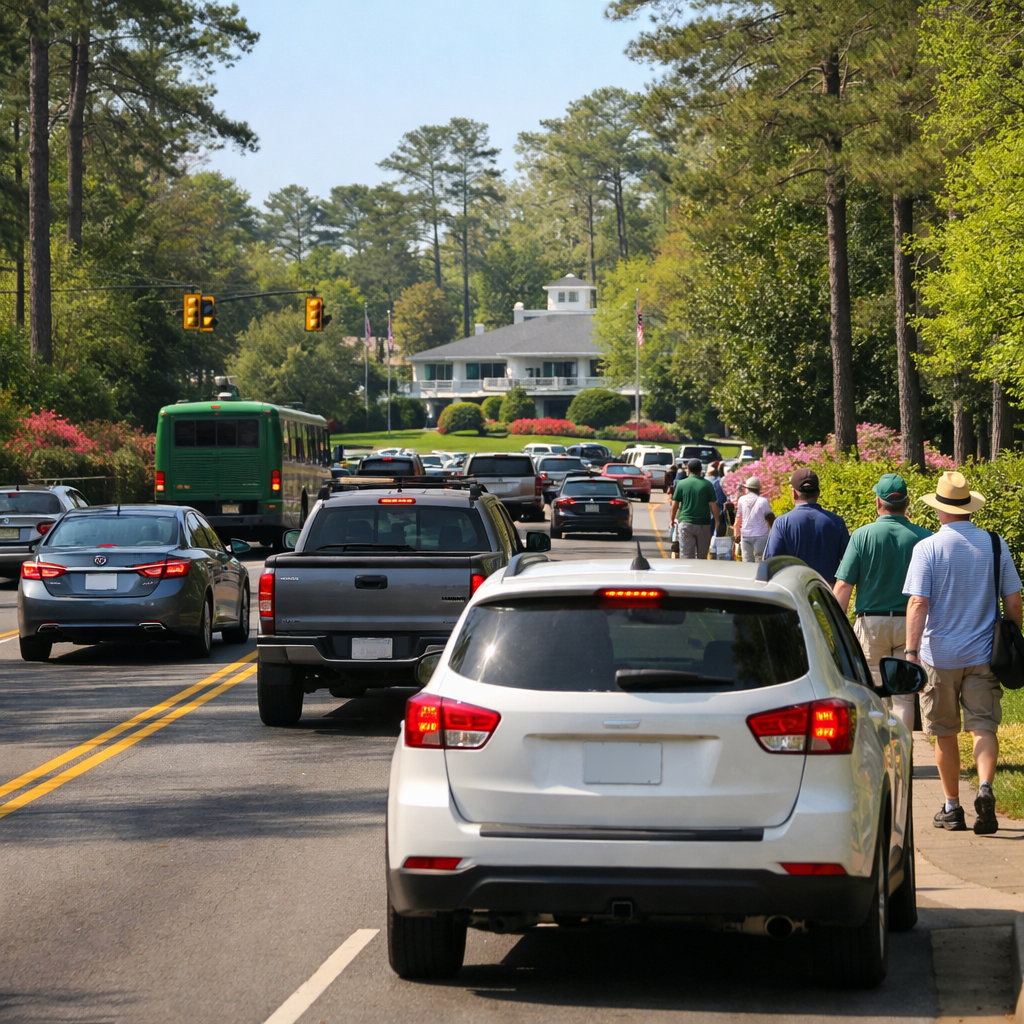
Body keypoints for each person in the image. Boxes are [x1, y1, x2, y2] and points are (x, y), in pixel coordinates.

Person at [903, 471, 1022, 835]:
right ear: (969, 507)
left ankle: (952, 807)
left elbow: (919, 603)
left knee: (945, 733)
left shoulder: (927, 548)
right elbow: (1013, 601)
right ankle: (985, 786)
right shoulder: (994, 544)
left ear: (940, 509)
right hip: (983, 653)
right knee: (983, 726)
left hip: (939, 656)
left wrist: (910, 653)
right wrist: (1013, 637)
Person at [832, 473, 932, 729]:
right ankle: (903, 760)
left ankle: (880, 761)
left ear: (878, 501)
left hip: (871, 624)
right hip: (911, 624)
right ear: (907, 502)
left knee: (874, 697)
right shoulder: (925, 537)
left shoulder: (862, 535)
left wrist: (833, 628)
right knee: (904, 699)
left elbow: (844, 585)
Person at [763, 469, 849, 583]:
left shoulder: (782, 523)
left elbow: (771, 560)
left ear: (793, 493)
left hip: (794, 589)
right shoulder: (836, 521)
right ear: (818, 493)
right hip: (827, 592)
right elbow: (848, 559)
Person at [670, 458, 721, 559]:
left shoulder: (681, 484)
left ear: (688, 469)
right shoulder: (707, 484)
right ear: (700, 469)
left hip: (686, 523)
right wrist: (717, 521)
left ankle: (688, 574)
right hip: (704, 524)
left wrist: (672, 519)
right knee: (702, 556)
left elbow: (675, 503)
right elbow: (714, 505)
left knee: (686, 555)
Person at [733, 476, 773, 563]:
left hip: (746, 535)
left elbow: (738, 518)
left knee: (747, 561)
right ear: (758, 489)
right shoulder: (763, 501)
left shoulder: (741, 500)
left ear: (747, 489)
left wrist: (736, 532)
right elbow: (770, 518)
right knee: (760, 561)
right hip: (761, 535)